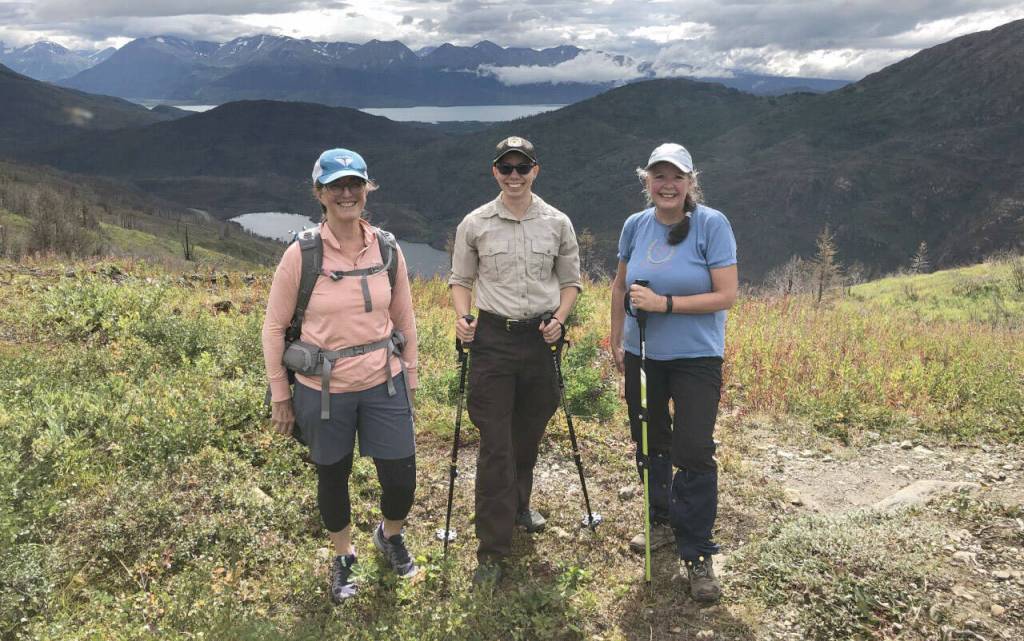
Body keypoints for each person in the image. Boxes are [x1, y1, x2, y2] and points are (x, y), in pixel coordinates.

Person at [262, 148, 420, 604]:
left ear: (367, 189)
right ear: (321, 194)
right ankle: (343, 556)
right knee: (333, 475)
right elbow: (274, 326)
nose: (347, 193)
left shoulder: (387, 248)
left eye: (355, 184)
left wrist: (410, 373)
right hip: (321, 388)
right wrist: (280, 394)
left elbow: (404, 317)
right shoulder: (302, 253)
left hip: (383, 380)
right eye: (336, 186)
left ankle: (389, 536)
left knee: (401, 477)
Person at [449, 136, 582, 586]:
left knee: (527, 434)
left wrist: (561, 320)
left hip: (540, 341)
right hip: (492, 340)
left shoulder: (558, 223)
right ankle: (493, 548)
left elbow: (570, 282)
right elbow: (460, 279)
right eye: (505, 168)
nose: (513, 175)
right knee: (496, 446)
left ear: (535, 170)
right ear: (495, 172)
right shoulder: (476, 223)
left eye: (521, 167)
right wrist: (462, 317)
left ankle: (519, 505)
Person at [609, 143, 738, 602]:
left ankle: (697, 548)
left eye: (676, 177)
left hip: (697, 357)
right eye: (658, 176)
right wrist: (615, 338)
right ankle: (660, 517)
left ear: (689, 182)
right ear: (647, 181)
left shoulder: (712, 225)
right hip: (642, 353)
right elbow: (621, 284)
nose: (667, 185)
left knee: (694, 448)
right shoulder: (635, 226)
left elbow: (725, 295)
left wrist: (665, 304)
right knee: (648, 439)